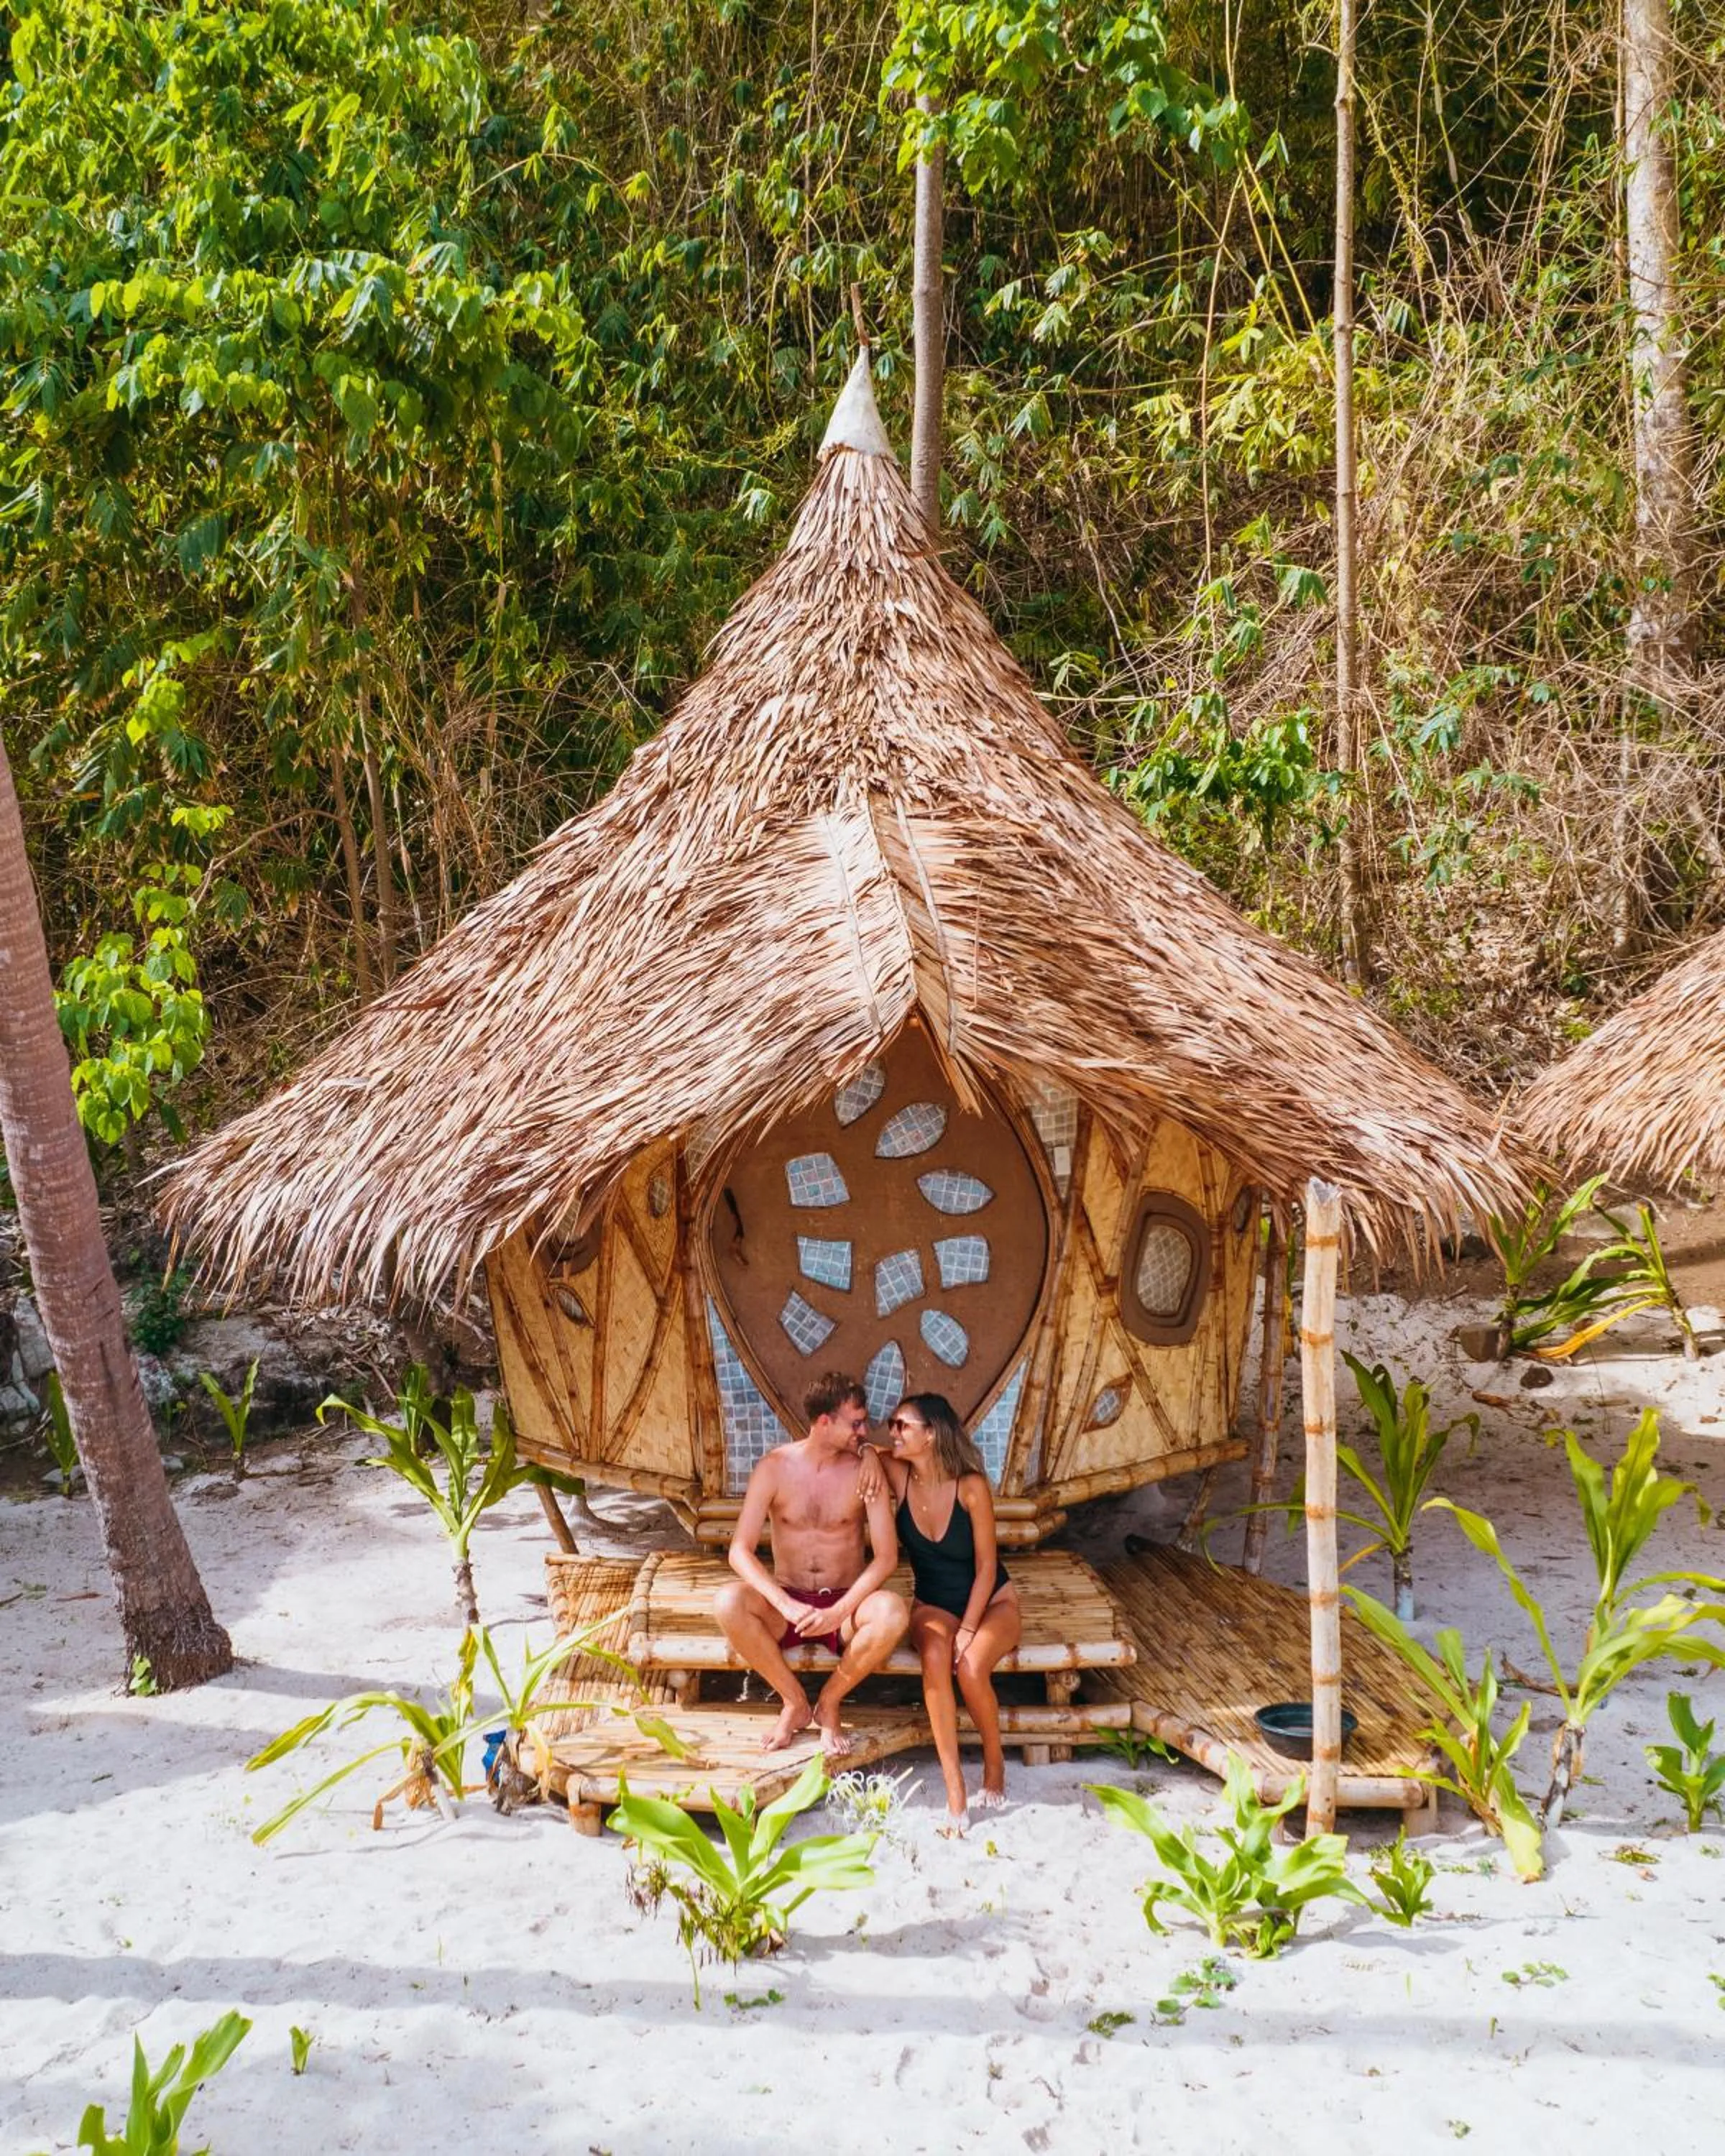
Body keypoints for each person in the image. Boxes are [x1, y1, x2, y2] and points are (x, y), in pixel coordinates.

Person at [715, 1371, 909, 1756]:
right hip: (788, 1605)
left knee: (893, 1613)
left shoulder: (863, 1471)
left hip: (845, 1605)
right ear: (825, 1422)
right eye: (855, 1423)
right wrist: (785, 1604)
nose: (864, 1430)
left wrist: (840, 1611)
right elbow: (740, 1549)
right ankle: (794, 1702)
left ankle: (830, 1701)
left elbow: (887, 1557)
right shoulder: (774, 1468)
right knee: (728, 1602)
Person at [863, 1393, 1019, 1834]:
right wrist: (866, 1454)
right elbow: (867, 1450)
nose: (892, 1432)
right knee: (935, 1658)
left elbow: (988, 1567)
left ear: (931, 1434)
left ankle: (994, 1762)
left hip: (992, 1603)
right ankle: (955, 1791)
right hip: (931, 1604)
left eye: (902, 1426)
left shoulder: (970, 1486)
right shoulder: (899, 1473)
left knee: (969, 1670)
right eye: (892, 1424)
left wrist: (970, 1628)